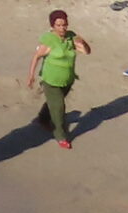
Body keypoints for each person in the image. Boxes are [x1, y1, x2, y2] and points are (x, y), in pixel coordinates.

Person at [27, 9, 89, 148]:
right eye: (59, 25)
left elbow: (86, 52)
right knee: (59, 107)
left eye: (64, 25)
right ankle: (60, 135)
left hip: (67, 79)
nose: (62, 28)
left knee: (54, 103)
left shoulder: (71, 36)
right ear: (53, 26)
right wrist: (31, 75)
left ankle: (43, 118)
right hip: (50, 80)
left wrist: (83, 42)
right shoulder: (48, 39)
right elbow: (36, 57)